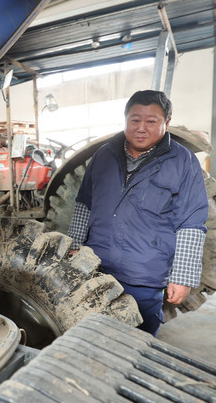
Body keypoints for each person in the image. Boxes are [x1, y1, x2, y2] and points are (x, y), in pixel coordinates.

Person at [67, 90, 208, 336]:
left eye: (151, 121)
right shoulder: (103, 156)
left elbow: (191, 222)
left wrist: (183, 276)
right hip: (95, 268)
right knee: (90, 335)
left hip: (143, 276)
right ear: (125, 119)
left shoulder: (183, 162)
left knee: (137, 338)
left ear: (167, 123)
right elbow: (84, 204)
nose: (141, 128)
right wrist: (74, 245)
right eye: (134, 120)